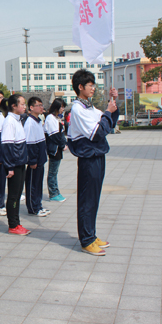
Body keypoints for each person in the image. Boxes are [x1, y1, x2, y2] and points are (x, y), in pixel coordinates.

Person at [67, 69, 118, 256]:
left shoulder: (89, 107)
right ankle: (86, 240)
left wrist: (113, 105)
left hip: (98, 156)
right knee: (87, 199)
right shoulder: (78, 109)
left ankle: (91, 233)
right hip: (88, 158)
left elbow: (108, 123)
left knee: (94, 198)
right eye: (90, 85)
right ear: (80, 87)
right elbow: (96, 133)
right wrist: (107, 113)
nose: (93, 88)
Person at [0, 94, 31, 236]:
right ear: (14, 106)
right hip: (14, 164)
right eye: (22, 104)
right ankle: (13, 225)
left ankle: (16, 222)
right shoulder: (9, 122)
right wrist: (10, 167)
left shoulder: (18, 120)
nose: (24, 107)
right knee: (13, 196)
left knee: (17, 195)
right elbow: (7, 145)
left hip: (20, 162)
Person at [23, 97, 49, 217]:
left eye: (41, 105)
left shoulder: (38, 121)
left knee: (38, 184)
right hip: (35, 161)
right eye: (38, 105)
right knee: (33, 185)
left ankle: (38, 205)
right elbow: (29, 144)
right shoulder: (30, 123)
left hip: (40, 159)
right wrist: (32, 160)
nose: (41, 107)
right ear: (31, 108)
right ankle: (33, 207)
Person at [44, 98, 67, 202]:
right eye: (61, 107)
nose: (62, 109)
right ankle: (53, 193)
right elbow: (55, 135)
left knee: (55, 171)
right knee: (53, 172)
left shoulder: (56, 118)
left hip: (57, 149)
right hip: (54, 149)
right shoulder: (50, 118)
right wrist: (63, 145)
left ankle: (56, 191)